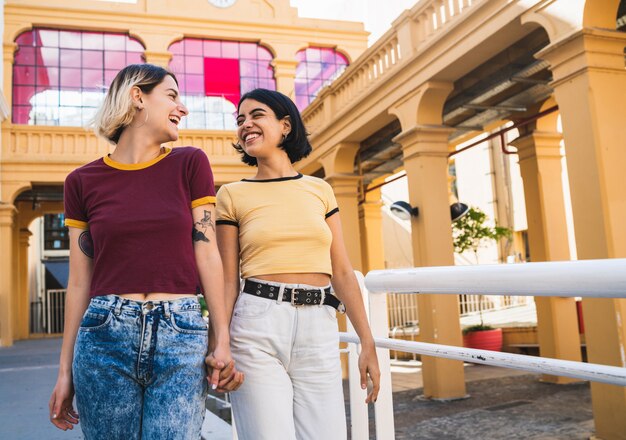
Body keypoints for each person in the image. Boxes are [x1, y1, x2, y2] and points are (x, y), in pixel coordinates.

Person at [48, 63, 240, 439]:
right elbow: (78, 282)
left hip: (181, 332)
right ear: (138, 97)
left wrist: (222, 339)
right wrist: (64, 371)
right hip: (104, 335)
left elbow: (208, 254)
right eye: (171, 96)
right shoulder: (81, 182)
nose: (182, 108)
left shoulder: (190, 163)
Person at [215, 88, 380, 440]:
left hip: (319, 326)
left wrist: (367, 342)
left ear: (285, 125)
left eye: (256, 115)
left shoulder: (320, 190)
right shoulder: (231, 194)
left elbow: (344, 272)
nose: (246, 125)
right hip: (257, 325)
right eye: (240, 120)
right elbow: (228, 280)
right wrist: (221, 344)